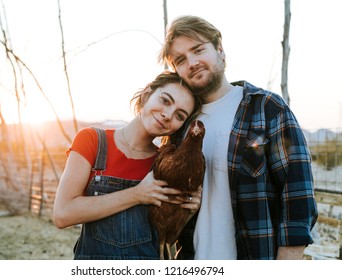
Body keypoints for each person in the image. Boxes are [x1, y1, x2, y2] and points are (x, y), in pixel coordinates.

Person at [159, 15, 318, 260]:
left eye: (198, 50)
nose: (192, 62)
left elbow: (297, 194)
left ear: (220, 50)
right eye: (180, 60)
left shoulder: (266, 108)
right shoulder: (181, 126)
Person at [52, 71, 202, 260]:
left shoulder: (163, 165)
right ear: (147, 94)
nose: (167, 115)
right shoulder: (92, 141)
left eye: (179, 116)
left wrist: (188, 210)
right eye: (165, 101)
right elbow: (63, 214)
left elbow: (165, 238)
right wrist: (137, 195)